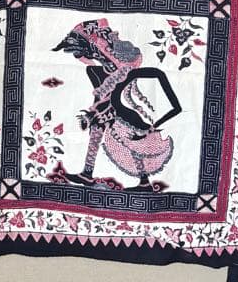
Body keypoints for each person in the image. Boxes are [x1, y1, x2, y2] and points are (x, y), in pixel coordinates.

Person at [54, 18, 181, 189]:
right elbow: (102, 98)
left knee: (132, 142)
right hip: (114, 111)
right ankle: (88, 174)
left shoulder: (135, 73)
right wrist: (92, 114)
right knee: (99, 127)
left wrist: (153, 127)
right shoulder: (97, 72)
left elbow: (176, 107)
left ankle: (143, 182)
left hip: (127, 115)